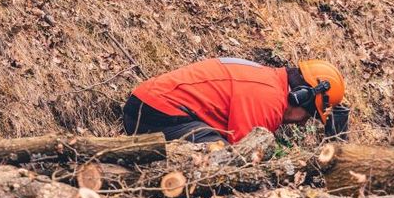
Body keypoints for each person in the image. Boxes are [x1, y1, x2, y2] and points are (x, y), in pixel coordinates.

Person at [122, 57, 349, 144]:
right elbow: (244, 152)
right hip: (155, 112)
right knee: (219, 159)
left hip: (148, 104)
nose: (302, 123)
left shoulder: (268, 80)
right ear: (301, 95)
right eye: (309, 115)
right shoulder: (268, 99)